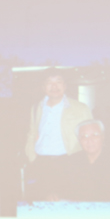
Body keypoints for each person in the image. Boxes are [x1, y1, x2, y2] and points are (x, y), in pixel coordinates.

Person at [23, 70, 93, 202]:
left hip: (68, 163)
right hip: (41, 164)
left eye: (58, 82)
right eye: (49, 82)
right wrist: (32, 157)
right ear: (43, 87)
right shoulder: (36, 107)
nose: (54, 86)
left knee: (67, 203)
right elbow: (32, 133)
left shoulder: (80, 108)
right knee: (39, 202)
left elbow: (90, 135)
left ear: (65, 86)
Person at [67, 120, 110, 202]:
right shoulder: (72, 161)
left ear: (103, 137)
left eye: (95, 135)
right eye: (84, 136)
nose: (89, 140)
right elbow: (64, 188)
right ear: (79, 140)